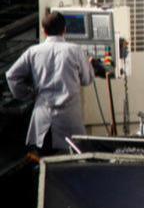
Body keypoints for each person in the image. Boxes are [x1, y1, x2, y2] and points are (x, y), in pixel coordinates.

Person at [5, 10, 96, 155]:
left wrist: (29, 94)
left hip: (43, 123)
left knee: (46, 169)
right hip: (69, 123)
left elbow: (11, 76)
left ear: (44, 31)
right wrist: (90, 66)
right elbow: (86, 80)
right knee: (71, 169)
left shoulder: (33, 52)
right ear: (64, 30)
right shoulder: (75, 51)